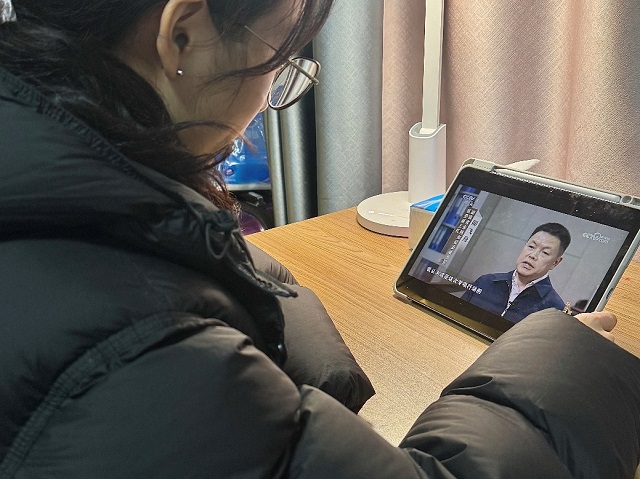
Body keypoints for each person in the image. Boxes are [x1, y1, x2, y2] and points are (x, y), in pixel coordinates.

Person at [0, 1, 639, 478]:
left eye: (545, 252)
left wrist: (260, 302)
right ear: (182, 33)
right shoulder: (146, 350)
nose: (265, 98)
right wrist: (568, 363)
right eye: (277, 60)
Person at [461, 223, 571, 322]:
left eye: (545, 253)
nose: (533, 255)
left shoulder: (555, 310)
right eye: (531, 247)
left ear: (555, 262)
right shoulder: (486, 281)